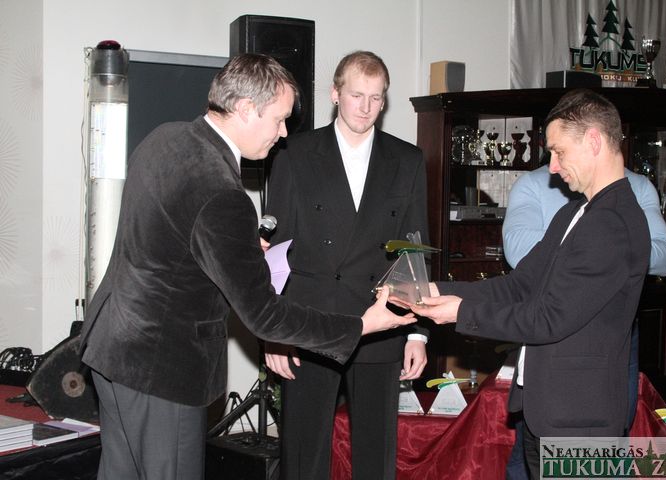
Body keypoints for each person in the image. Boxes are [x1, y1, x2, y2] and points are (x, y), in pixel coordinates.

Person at [78, 54, 416, 480]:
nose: (283, 133)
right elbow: (264, 315)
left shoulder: (166, 136)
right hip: (162, 367)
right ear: (244, 109)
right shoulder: (224, 194)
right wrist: (362, 326)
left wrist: (230, 247)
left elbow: (166, 237)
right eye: (278, 119)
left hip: (111, 348)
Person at [408, 89, 650, 480]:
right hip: (548, 411)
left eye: (559, 152)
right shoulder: (577, 212)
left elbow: (547, 319)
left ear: (593, 141)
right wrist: (434, 290)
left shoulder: (612, 223)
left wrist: (460, 312)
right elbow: (520, 286)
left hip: (580, 420)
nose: (552, 167)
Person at [264, 51, 429, 480]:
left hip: (382, 322)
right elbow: (276, 252)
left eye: (376, 98)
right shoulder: (294, 153)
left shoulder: (407, 160)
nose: (366, 107)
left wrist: (417, 332)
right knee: (304, 458)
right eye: (357, 95)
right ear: (336, 94)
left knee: (377, 457)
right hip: (311, 322)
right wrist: (274, 335)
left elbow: (413, 249)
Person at [501, 164, 666, 479]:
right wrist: (606, 250)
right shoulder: (535, 183)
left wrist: (603, 252)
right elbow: (517, 252)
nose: (555, 162)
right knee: (532, 439)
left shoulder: (636, 186)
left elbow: (665, 256)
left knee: (608, 440)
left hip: (612, 332)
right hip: (551, 329)